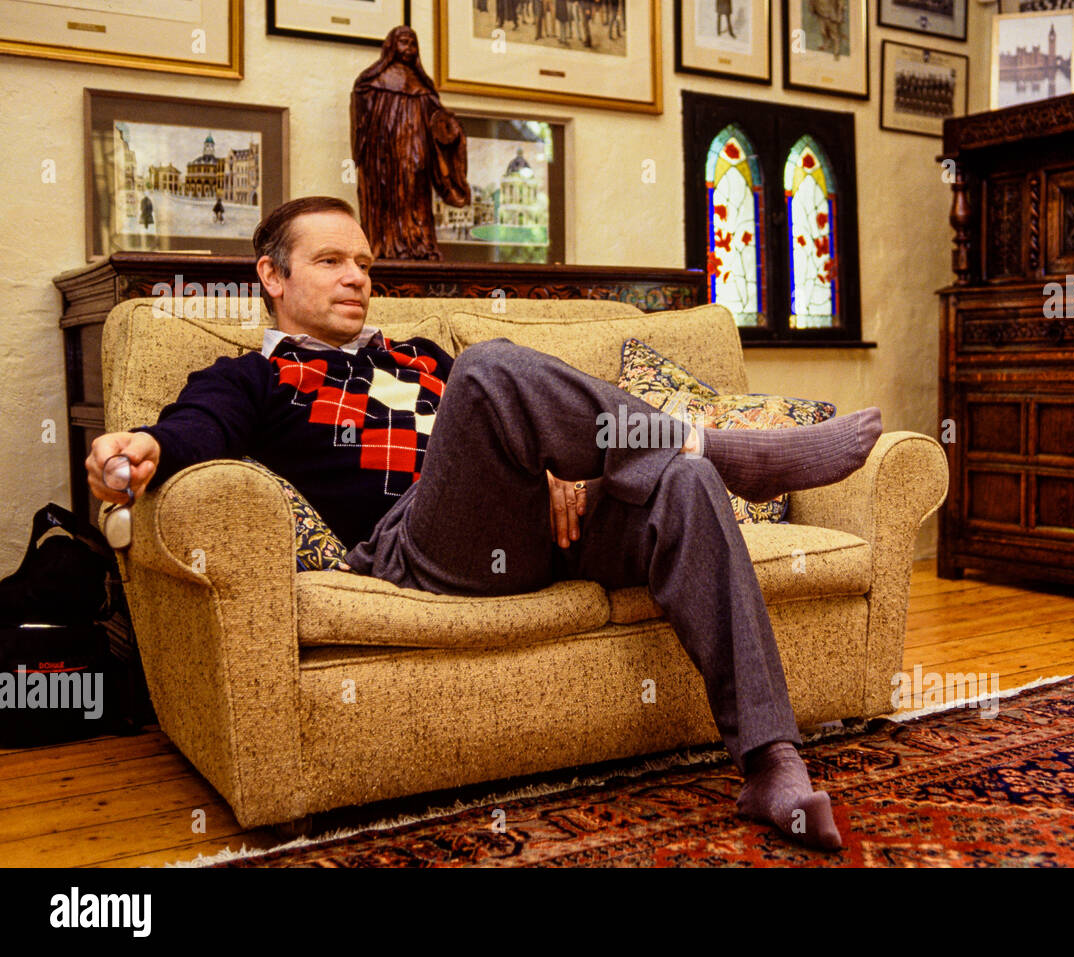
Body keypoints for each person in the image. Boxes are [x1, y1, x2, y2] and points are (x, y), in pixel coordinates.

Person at [84, 196, 884, 852]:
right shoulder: (254, 376)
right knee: (494, 368)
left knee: (681, 482)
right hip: (423, 548)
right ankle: (727, 450)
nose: (356, 276)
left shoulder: (420, 353)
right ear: (272, 275)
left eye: (364, 262)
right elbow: (196, 429)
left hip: (537, 525)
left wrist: (559, 469)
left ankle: (769, 760)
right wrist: (144, 446)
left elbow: (531, 428)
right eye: (331, 260)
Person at [350, 26, 470, 260]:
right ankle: (385, 244)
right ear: (391, 47)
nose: (409, 49)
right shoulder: (373, 81)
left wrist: (452, 129)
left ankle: (419, 243)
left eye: (412, 43)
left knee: (415, 194)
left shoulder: (423, 85)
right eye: (403, 42)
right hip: (383, 156)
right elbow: (361, 116)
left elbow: (438, 120)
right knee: (386, 195)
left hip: (416, 153)